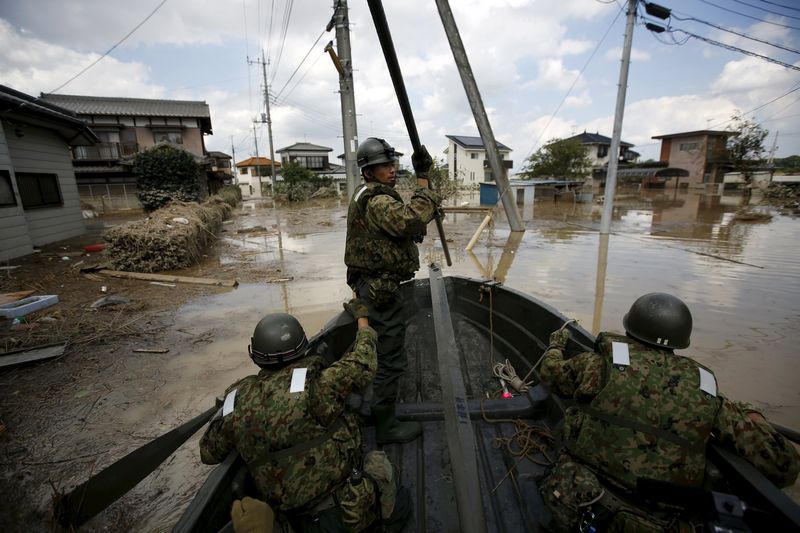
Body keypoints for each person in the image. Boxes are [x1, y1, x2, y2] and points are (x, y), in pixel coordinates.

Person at [538, 292, 800, 532]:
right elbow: (784, 465)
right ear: (681, 339)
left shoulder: (597, 364)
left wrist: (556, 345)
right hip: (665, 523)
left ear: (630, 327)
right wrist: (750, 413)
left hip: (587, 498)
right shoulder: (704, 388)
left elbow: (551, 374)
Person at [199, 302, 411, 532]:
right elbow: (364, 361)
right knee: (381, 469)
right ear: (303, 348)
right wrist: (362, 319)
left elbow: (208, 452)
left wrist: (225, 408)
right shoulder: (321, 385)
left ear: (255, 356)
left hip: (292, 520)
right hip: (345, 513)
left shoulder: (236, 400)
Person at [344, 137, 442, 444]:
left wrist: (422, 179)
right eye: (383, 166)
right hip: (379, 291)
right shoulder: (377, 200)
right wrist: (424, 184)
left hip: (373, 285)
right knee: (391, 357)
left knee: (381, 350)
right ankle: (386, 426)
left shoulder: (371, 195)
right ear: (368, 172)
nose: (391, 170)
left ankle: (375, 407)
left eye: (391, 164)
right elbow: (411, 221)